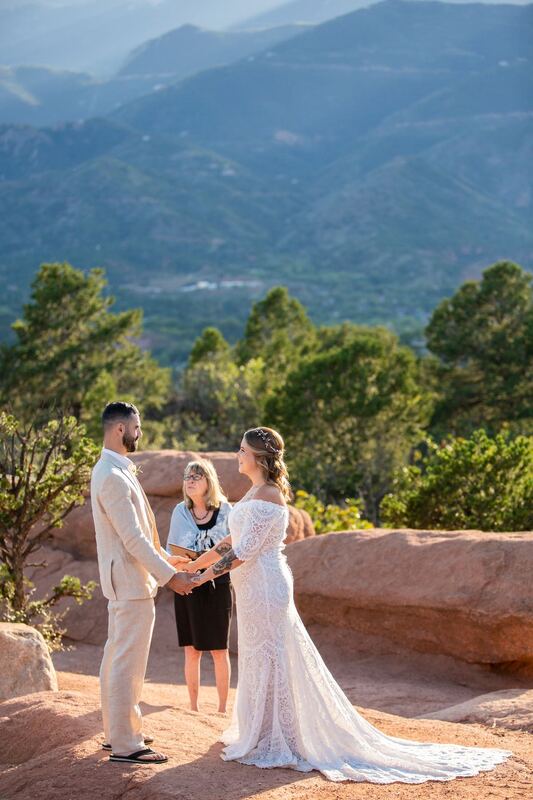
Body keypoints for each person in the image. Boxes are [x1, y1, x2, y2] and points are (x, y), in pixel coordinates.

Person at [180, 426, 512, 783]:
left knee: (272, 656)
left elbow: (244, 552)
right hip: (249, 590)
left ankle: (283, 737)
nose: (237, 454)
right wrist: (193, 564)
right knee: (259, 655)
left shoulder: (269, 495)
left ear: (259, 458)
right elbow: (231, 540)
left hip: (264, 586)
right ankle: (262, 730)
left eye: (242, 450)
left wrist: (201, 578)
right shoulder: (255, 491)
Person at [91, 401, 195, 766]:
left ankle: (117, 732)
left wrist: (168, 560)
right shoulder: (113, 476)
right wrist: (172, 578)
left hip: (128, 581)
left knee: (117, 658)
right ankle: (126, 744)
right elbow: (133, 539)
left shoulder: (113, 470)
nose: (140, 433)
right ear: (120, 429)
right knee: (126, 663)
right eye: (136, 427)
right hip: (131, 583)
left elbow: (138, 538)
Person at [167, 458, 233, 714]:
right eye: (187, 477)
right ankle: (192, 708)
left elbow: (231, 549)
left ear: (209, 481)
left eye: (196, 476)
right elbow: (173, 548)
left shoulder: (227, 510)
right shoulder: (179, 512)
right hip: (188, 582)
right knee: (192, 650)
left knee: (219, 649)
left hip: (218, 582)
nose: (190, 481)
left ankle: (222, 709)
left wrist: (204, 564)